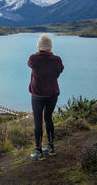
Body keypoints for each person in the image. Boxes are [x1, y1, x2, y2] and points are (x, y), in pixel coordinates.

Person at [28, 33, 64, 161]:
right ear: (50, 47)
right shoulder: (57, 59)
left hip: (37, 94)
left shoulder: (34, 58)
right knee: (48, 118)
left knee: (37, 121)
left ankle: (38, 150)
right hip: (52, 94)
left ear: (39, 46)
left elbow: (30, 64)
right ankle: (51, 147)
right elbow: (59, 70)